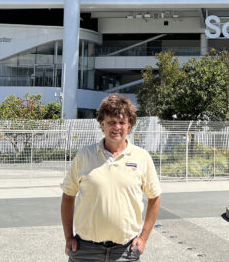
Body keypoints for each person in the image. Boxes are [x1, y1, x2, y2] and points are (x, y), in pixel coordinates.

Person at [61, 94, 161, 262]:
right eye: (111, 122)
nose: (117, 127)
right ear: (102, 124)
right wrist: (68, 237)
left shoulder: (142, 157)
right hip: (85, 250)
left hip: (125, 251)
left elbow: (155, 198)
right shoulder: (84, 155)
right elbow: (68, 197)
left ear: (129, 127)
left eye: (122, 122)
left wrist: (143, 238)